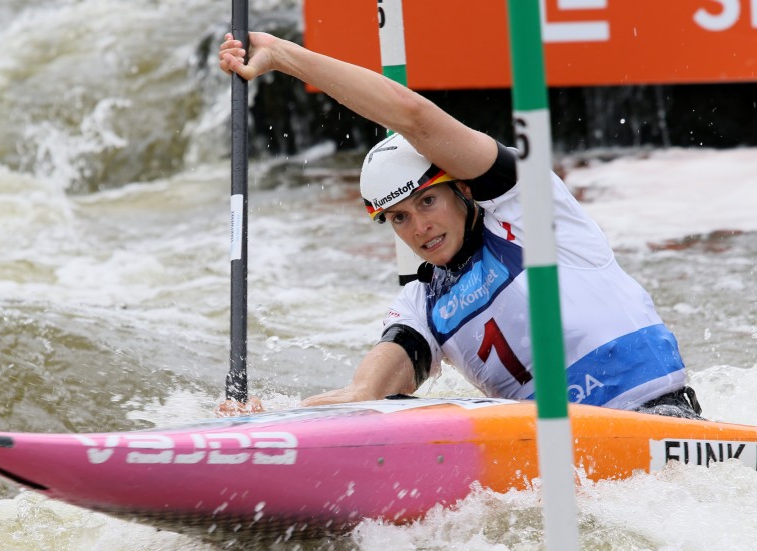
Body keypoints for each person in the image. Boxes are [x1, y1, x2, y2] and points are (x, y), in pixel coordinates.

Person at [217, 32, 703, 420]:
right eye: (399, 217)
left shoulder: (527, 208)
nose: (419, 227)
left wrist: (284, 56)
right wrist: (269, 423)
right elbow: (369, 391)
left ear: (463, 189)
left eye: (427, 201)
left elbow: (415, 117)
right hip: (554, 454)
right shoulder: (422, 302)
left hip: (656, 414)